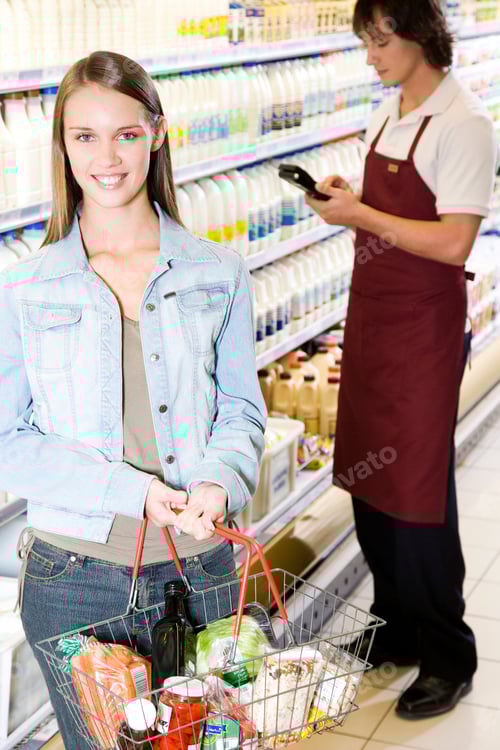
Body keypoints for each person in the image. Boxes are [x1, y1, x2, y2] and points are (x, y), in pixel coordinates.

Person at [0, 51, 266, 749]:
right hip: (73, 580)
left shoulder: (219, 273)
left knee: (210, 741)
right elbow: (6, 444)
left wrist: (216, 477)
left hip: (201, 567)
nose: (106, 157)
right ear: (61, 145)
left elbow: (242, 409)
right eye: (84, 136)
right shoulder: (24, 289)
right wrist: (130, 490)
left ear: (158, 133)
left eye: (125, 133)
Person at [306, 0, 498, 721]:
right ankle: (394, 631)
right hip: (375, 319)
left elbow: (453, 243)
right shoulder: (390, 112)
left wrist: (362, 217)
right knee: (368, 475)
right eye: (366, 41)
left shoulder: (465, 124)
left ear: (421, 34)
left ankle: (448, 654)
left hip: (421, 329)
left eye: (381, 40)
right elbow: (394, 211)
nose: (371, 54)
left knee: (417, 493)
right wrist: (351, 201)